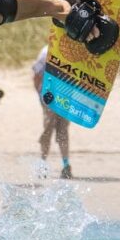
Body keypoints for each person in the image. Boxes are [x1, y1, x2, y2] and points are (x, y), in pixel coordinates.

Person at [32, 45, 72, 179]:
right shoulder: (46, 51)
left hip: (64, 97)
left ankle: (66, 165)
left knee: (62, 131)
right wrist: (41, 95)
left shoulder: (71, 50)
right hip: (50, 97)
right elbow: (37, 75)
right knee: (48, 131)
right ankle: (43, 164)